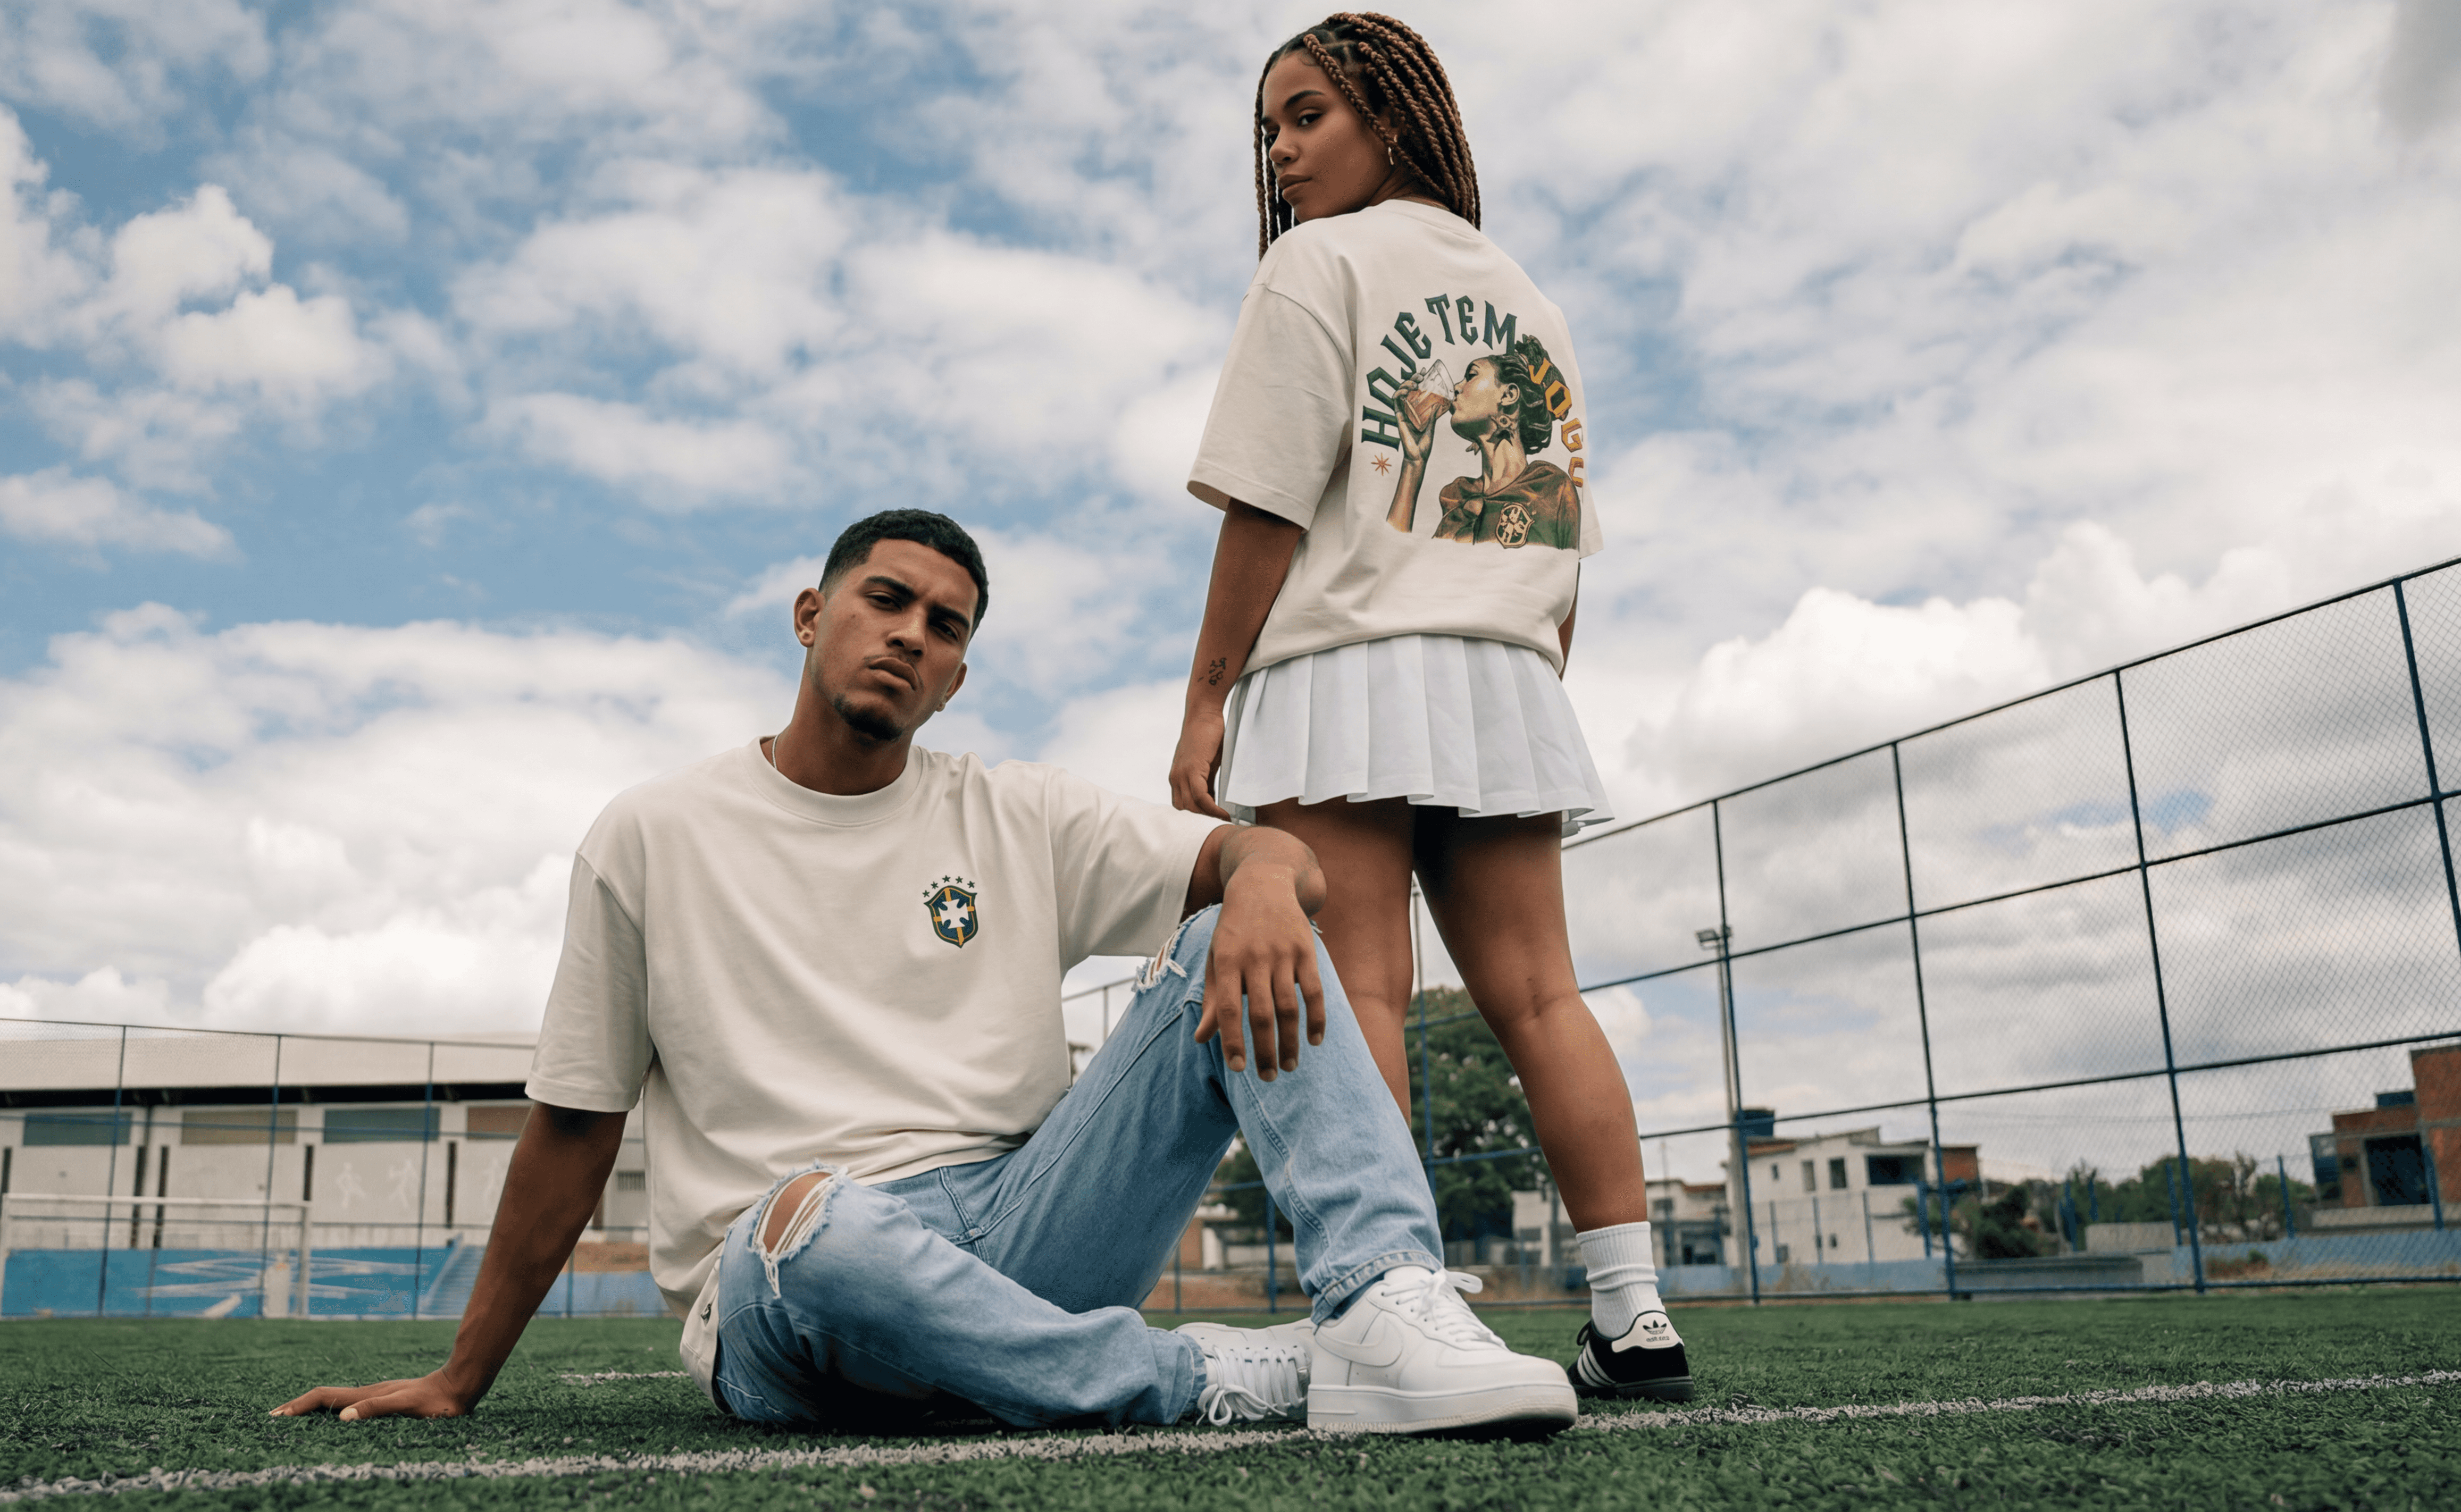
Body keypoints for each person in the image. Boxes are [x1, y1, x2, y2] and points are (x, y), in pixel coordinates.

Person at [278, 509, 1580, 1435]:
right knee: (814, 1227)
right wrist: (460, 1378)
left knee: (1230, 936)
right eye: (884, 601)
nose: (909, 634)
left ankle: (1383, 1313)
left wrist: (1251, 876)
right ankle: (1194, 1383)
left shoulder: (1014, 813)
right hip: (796, 1278)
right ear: (811, 615)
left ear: (956, 677)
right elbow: (573, 1121)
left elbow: (1284, 856)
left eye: (943, 626)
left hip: (1024, 1228)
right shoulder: (648, 834)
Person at [1168, 14, 1692, 1402]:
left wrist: (1206, 693)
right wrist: (1518, 676)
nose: (1280, 155)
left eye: (1307, 117)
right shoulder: (1533, 299)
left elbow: (1269, 505)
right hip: (1505, 672)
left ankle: (1386, 1308)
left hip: (1346, 662)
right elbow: (1558, 548)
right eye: (1270, 129)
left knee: (1366, 992)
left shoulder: (1315, 265)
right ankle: (1634, 1313)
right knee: (1542, 992)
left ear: (1392, 119)